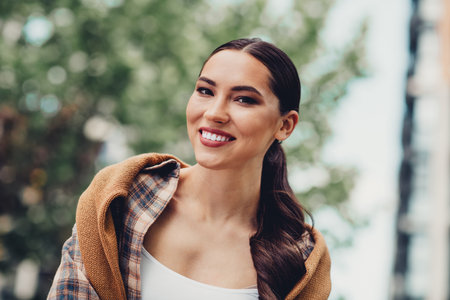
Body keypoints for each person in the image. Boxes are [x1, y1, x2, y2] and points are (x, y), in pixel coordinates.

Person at [48, 38, 331, 300]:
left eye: (244, 99)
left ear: (285, 125)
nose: (214, 113)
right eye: (205, 91)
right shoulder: (120, 198)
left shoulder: (301, 260)